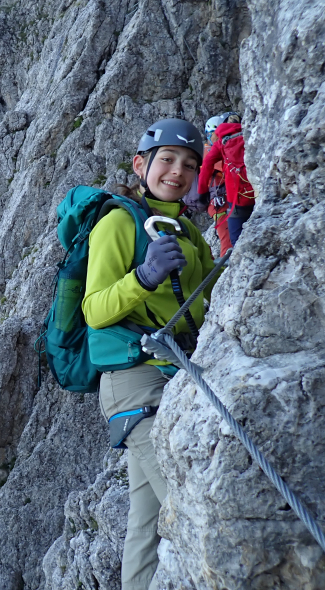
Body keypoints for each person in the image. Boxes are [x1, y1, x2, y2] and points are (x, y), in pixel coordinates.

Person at [82, 119, 221, 590]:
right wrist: (145, 276)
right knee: (187, 505)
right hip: (134, 378)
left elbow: (211, 296)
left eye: (189, 164)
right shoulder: (119, 222)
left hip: (176, 371)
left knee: (146, 523)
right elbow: (95, 309)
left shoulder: (188, 232)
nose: (177, 171)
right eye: (166, 159)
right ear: (141, 164)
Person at [198, 113, 255, 246]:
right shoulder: (252, 134)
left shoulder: (221, 143)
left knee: (235, 241)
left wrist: (202, 192)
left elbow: (207, 165)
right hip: (258, 193)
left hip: (236, 199)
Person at [201, 114, 234, 256]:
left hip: (220, 200)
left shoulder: (210, 150)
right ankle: (226, 264)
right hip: (218, 201)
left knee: (229, 234)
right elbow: (227, 168)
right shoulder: (208, 151)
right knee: (227, 239)